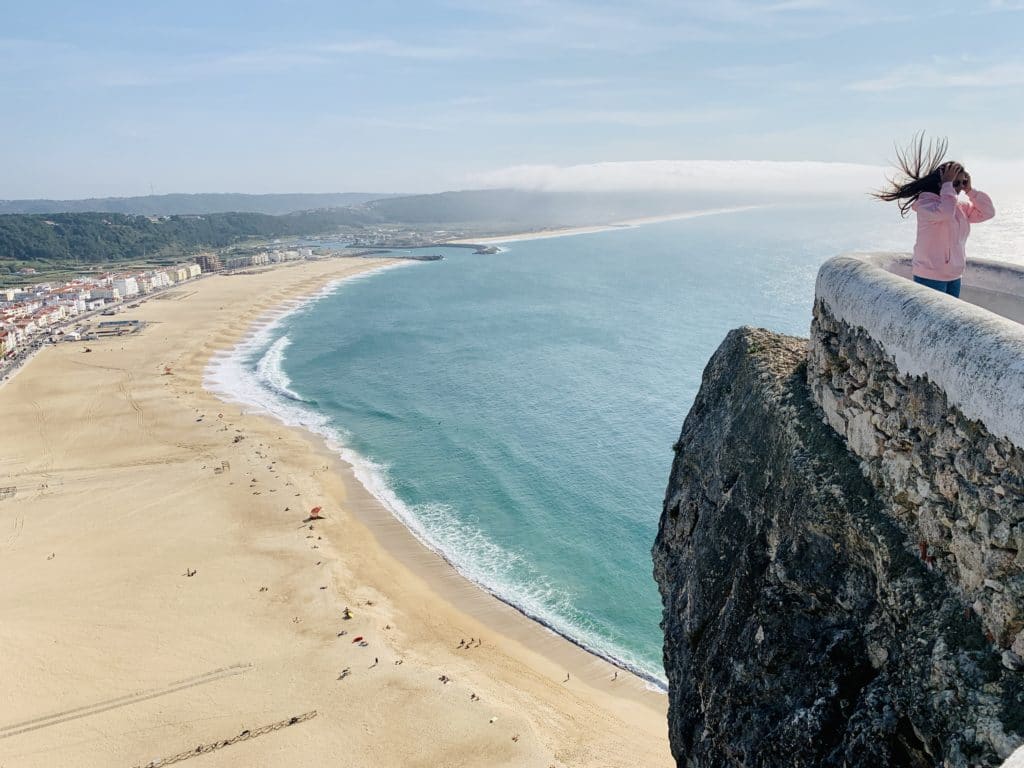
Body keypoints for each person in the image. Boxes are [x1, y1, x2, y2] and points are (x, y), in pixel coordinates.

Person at [874, 134, 995, 297]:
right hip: (929, 276)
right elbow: (944, 213)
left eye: (962, 182)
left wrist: (970, 191)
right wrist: (948, 186)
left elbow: (988, 212)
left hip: (954, 276)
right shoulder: (926, 204)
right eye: (955, 183)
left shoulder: (959, 207)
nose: (959, 187)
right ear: (941, 182)